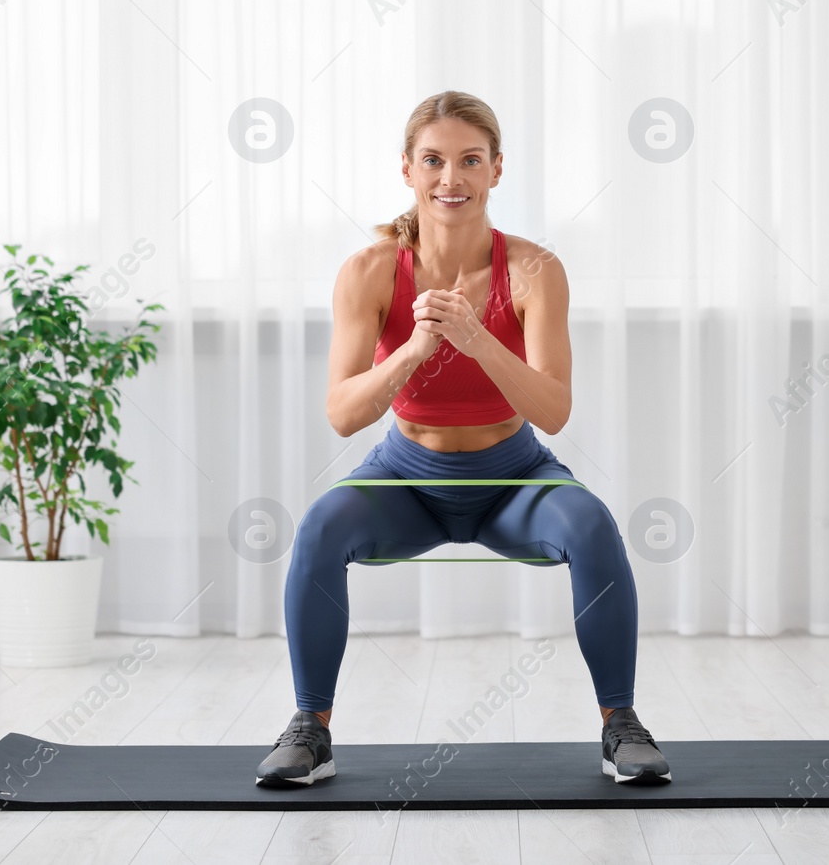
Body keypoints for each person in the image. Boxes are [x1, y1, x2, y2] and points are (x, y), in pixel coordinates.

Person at [255, 91, 669, 788]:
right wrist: (415, 349)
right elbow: (343, 413)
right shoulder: (370, 271)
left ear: (497, 170)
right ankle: (310, 729)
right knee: (321, 525)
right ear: (409, 171)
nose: (453, 178)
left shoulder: (535, 271)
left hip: (513, 481)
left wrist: (478, 340)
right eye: (435, 160)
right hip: (405, 482)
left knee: (592, 523)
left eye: (470, 160)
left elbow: (554, 408)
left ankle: (621, 723)